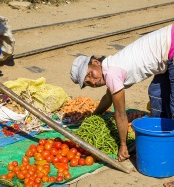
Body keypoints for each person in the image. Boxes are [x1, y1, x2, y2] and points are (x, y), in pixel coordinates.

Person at [70, 24, 174, 162]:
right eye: (87, 83)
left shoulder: (112, 72)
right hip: (166, 55)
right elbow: (108, 98)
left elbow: (120, 113)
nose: (93, 82)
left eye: (90, 74)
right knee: (156, 93)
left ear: (96, 62)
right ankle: (162, 140)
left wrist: (123, 145)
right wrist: (93, 116)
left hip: (170, 46)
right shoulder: (110, 66)